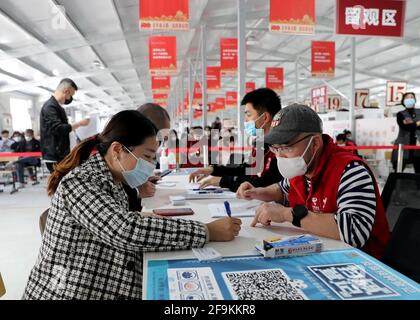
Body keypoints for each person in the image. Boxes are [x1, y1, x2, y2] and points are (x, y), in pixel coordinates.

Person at [22, 110, 241, 300]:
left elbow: (117, 220)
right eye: (147, 156)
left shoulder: (112, 179)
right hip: (71, 291)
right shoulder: (81, 182)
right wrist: (206, 231)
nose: (150, 165)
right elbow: (124, 231)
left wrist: (143, 220)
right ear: (117, 150)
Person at [236, 104, 390, 260]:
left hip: (361, 264)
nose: (279, 156)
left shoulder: (350, 170)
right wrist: (257, 192)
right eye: (275, 148)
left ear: (315, 143)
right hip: (321, 255)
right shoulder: (302, 167)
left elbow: (355, 232)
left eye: (286, 147)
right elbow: (282, 191)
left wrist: (286, 214)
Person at [189, 88, 282, 192]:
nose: (246, 120)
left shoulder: (280, 147)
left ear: (265, 117)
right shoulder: (261, 144)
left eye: (248, 114)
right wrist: (213, 170)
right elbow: (246, 170)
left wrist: (222, 181)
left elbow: (262, 183)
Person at [40, 78, 90, 173]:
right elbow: (58, 129)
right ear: (66, 91)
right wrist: (79, 123)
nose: (70, 99)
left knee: (62, 183)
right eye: (70, 95)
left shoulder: (58, 107)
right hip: (55, 155)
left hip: (61, 153)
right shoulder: (50, 107)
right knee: (58, 183)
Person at [391, 92, 420, 174]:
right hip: (403, 145)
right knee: (398, 171)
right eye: (407, 98)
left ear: (415, 100)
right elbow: (405, 127)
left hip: (417, 146)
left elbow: (410, 126)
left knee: (418, 172)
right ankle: (396, 186)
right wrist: (417, 123)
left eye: (412, 97)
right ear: (403, 101)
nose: (410, 99)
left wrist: (411, 123)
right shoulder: (400, 114)